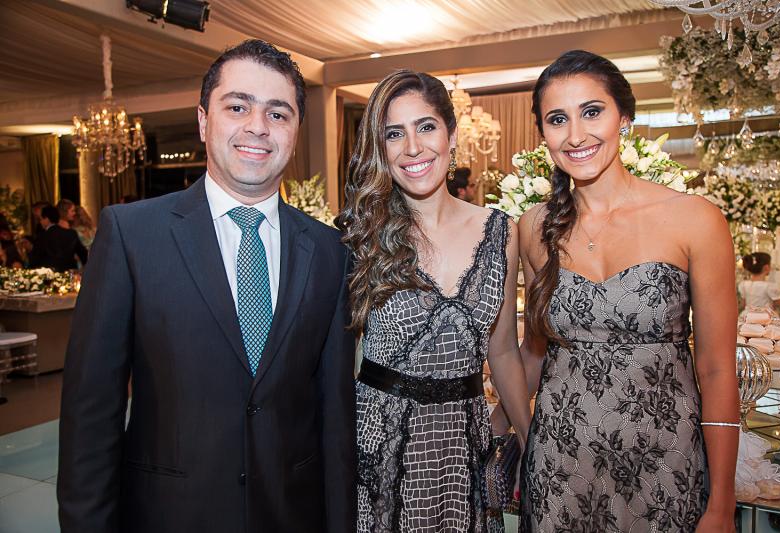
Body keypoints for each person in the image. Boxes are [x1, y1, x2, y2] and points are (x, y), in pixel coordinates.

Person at [58, 40, 356, 533]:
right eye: (237, 107)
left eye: (278, 113)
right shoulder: (131, 235)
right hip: (168, 515)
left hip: (291, 514)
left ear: (295, 131)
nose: (258, 126)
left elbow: (335, 419)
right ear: (203, 120)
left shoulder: (329, 250)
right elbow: (91, 416)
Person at [517, 50, 738, 533]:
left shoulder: (695, 219)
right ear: (543, 134)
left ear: (625, 118)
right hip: (560, 464)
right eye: (558, 119)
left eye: (592, 112)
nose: (576, 135)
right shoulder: (533, 227)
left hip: (665, 462)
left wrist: (722, 503)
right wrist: (496, 431)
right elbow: (534, 353)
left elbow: (718, 369)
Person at [337, 69, 530, 532]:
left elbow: (503, 351)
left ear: (451, 134)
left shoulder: (501, 232)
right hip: (381, 443)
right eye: (394, 134)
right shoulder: (361, 236)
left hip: (462, 442)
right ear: (381, 148)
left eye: (426, 127)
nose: (413, 147)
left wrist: (531, 441)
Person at [29, 205, 87, 272]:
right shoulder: (71, 233)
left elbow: (34, 259)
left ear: (47, 219)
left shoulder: (42, 237)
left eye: (41, 219)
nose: (40, 222)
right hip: (69, 272)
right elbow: (83, 254)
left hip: (50, 274)